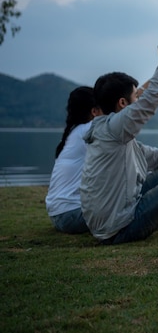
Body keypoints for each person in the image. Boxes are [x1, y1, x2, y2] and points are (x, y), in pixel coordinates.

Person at [80, 13, 158, 244]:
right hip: (121, 228)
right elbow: (154, 94)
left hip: (110, 223)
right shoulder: (115, 128)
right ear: (122, 104)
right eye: (135, 97)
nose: (139, 98)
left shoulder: (112, 134)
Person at [45, 86, 101, 234]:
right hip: (71, 216)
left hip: (59, 214)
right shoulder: (88, 130)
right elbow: (122, 119)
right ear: (94, 111)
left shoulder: (74, 132)